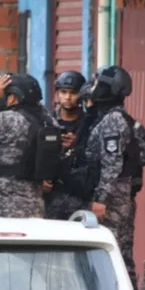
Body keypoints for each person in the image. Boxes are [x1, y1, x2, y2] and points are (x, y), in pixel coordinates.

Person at [83, 66, 145, 290]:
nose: (94, 89)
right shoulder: (118, 118)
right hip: (120, 191)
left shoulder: (113, 120)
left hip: (112, 197)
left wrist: (101, 198)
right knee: (122, 254)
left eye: (97, 84)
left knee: (112, 253)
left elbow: (112, 163)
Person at [0, 73, 60, 218]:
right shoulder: (49, 121)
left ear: (13, 97)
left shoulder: (10, 119)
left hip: (6, 202)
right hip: (36, 201)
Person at [44, 71, 88, 219]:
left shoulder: (89, 123)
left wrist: (78, 144)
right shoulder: (46, 121)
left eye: (73, 93)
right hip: (51, 194)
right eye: (63, 92)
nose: (68, 97)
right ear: (57, 94)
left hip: (81, 195)